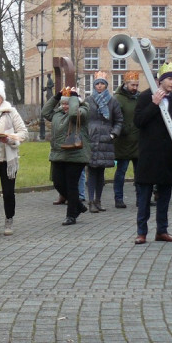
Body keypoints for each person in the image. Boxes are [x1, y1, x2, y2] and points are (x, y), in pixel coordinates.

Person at [133, 62, 172, 244]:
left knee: (164, 196)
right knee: (144, 196)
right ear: (160, 80)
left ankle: (162, 231)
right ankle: (142, 232)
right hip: (149, 154)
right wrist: (154, 104)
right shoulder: (144, 97)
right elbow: (138, 121)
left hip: (167, 156)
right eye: (170, 79)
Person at [42, 86, 90, 226]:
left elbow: (74, 114)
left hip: (76, 154)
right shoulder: (57, 114)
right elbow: (45, 112)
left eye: (67, 103)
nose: (64, 106)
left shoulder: (83, 110)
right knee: (58, 183)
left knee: (71, 185)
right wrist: (56, 97)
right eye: (63, 103)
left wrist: (74, 96)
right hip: (58, 154)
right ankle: (78, 206)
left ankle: (71, 215)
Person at [0, 79, 27, 237]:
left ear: (2, 97)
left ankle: (9, 221)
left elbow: (23, 133)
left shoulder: (11, 112)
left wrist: (8, 138)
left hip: (7, 159)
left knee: (9, 193)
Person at [85, 72, 124, 213]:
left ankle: (98, 200)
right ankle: (90, 201)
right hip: (92, 138)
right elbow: (83, 118)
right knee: (91, 171)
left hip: (106, 139)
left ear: (106, 85)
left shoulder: (112, 101)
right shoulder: (88, 100)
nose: (100, 86)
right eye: (97, 83)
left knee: (101, 172)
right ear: (94, 85)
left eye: (102, 83)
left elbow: (119, 120)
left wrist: (114, 134)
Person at [112, 71, 141, 208]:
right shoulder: (117, 98)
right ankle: (118, 198)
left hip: (138, 141)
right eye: (132, 85)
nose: (134, 87)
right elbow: (115, 117)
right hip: (123, 141)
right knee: (121, 171)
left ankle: (140, 197)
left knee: (140, 172)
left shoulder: (139, 97)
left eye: (136, 85)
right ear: (126, 84)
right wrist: (124, 129)